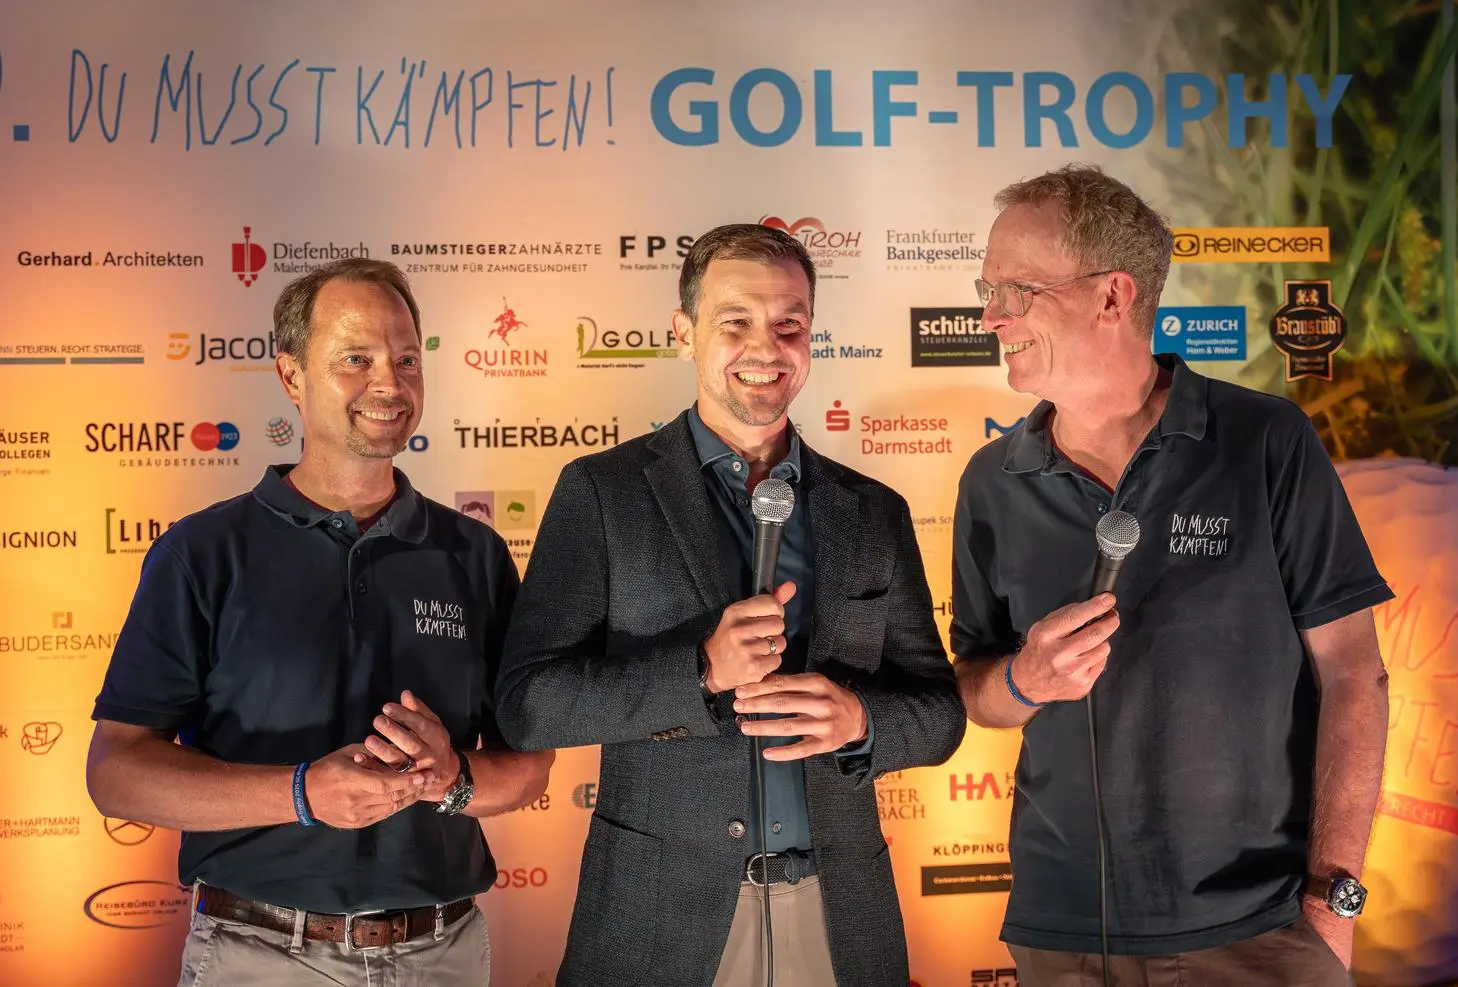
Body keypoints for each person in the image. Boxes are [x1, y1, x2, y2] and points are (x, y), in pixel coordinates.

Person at [951, 164, 1392, 986]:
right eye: (989, 287)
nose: (991, 314)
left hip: (1261, 928)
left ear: (1112, 297)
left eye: (1016, 289)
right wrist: (1027, 676)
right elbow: (977, 688)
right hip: (1064, 931)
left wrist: (1333, 900)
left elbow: (1354, 673)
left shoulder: (1265, 439)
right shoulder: (990, 479)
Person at [494, 223, 966, 987]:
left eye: (790, 325)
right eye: (735, 321)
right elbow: (528, 705)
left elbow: (940, 712)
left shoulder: (872, 507)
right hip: (655, 918)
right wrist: (700, 672)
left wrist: (862, 721)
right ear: (683, 333)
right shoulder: (603, 492)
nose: (766, 347)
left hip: (839, 910)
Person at [85, 258, 554, 986]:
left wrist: (452, 777)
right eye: (355, 360)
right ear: (291, 375)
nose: (389, 384)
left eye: (405, 358)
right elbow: (117, 771)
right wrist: (301, 792)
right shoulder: (203, 553)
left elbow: (529, 766)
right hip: (259, 953)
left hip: (444, 953)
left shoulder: (475, 554)